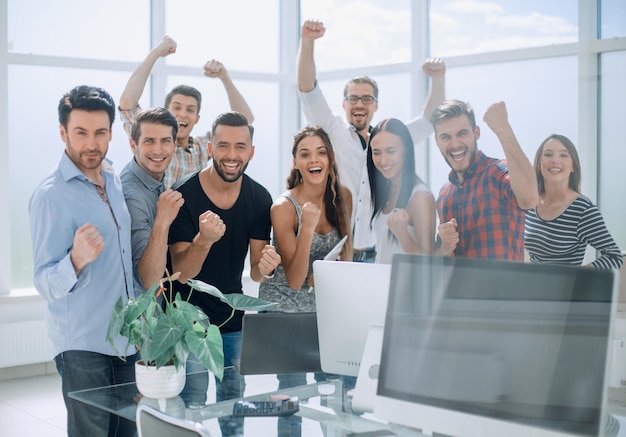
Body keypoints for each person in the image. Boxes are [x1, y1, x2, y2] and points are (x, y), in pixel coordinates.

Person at [29, 85, 138, 436]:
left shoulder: (113, 182)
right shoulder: (51, 196)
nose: (92, 144)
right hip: (83, 347)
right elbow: (44, 282)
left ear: (111, 133)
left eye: (100, 133)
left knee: (128, 433)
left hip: (128, 339)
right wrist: (75, 260)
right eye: (81, 133)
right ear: (63, 133)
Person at [168, 111, 281, 436]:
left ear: (251, 151)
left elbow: (258, 274)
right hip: (188, 321)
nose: (232, 155)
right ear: (209, 148)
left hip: (233, 320)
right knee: (193, 403)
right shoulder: (184, 194)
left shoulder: (260, 198)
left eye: (240, 147)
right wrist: (204, 240)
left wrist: (267, 266)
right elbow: (180, 272)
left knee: (234, 403)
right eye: (223, 146)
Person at [297, 19, 445, 262]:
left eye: (367, 99)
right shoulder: (332, 129)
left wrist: (438, 79)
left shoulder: (388, 141)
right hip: (338, 253)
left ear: (376, 105)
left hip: (377, 254)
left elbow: (428, 121)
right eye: (353, 98)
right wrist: (307, 42)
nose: (359, 104)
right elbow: (306, 89)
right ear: (343, 104)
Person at [258, 125, 352, 436]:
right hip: (285, 314)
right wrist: (307, 228)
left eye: (321, 152)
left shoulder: (344, 197)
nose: (314, 159)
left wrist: (330, 274)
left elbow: (347, 257)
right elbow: (296, 279)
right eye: (305, 154)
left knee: (335, 394)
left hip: (323, 313)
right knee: (292, 400)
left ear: (331, 158)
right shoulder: (283, 207)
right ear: (296, 163)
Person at [119, 36, 255, 189]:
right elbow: (127, 104)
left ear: (196, 118)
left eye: (190, 110)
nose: (183, 114)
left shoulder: (201, 148)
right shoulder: (150, 139)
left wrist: (224, 77)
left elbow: (245, 121)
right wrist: (156, 53)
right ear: (166, 112)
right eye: (177, 107)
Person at [432, 100, 539, 260]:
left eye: (462, 133)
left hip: (502, 285)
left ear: (476, 133)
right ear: (437, 141)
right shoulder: (444, 194)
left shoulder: (498, 173)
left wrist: (504, 130)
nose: (455, 144)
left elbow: (530, 199)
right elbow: (439, 264)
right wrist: (445, 249)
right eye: (446, 137)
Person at [524, 134, 623, 270]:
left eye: (563, 155)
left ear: (573, 167)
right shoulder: (530, 203)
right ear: (539, 164)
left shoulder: (583, 210)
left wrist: (578, 275)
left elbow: (614, 256)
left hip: (566, 290)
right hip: (534, 287)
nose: (555, 160)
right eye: (548, 154)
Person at [120, 107, 184, 294]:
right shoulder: (132, 197)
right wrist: (163, 221)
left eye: (165, 141)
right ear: (133, 145)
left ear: (174, 145)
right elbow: (148, 281)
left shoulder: (154, 178)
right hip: (141, 319)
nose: (158, 150)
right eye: (149, 141)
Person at [367, 118, 436, 264]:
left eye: (391, 151)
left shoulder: (420, 197)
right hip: (380, 284)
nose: (383, 160)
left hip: (403, 286)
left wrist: (402, 234)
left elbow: (427, 263)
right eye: (376, 152)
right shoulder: (387, 190)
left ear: (406, 150)